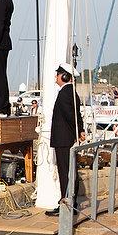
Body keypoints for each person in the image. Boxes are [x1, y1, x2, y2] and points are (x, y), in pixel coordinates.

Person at [45, 63, 86, 217]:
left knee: (65, 172)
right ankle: (70, 201)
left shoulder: (64, 93)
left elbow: (71, 116)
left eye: (57, 74)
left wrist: (77, 131)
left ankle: (66, 204)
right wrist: (80, 130)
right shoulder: (71, 92)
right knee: (69, 171)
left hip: (63, 140)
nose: (55, 77)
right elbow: (77, 115)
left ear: (64, 76)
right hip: (66, 138)